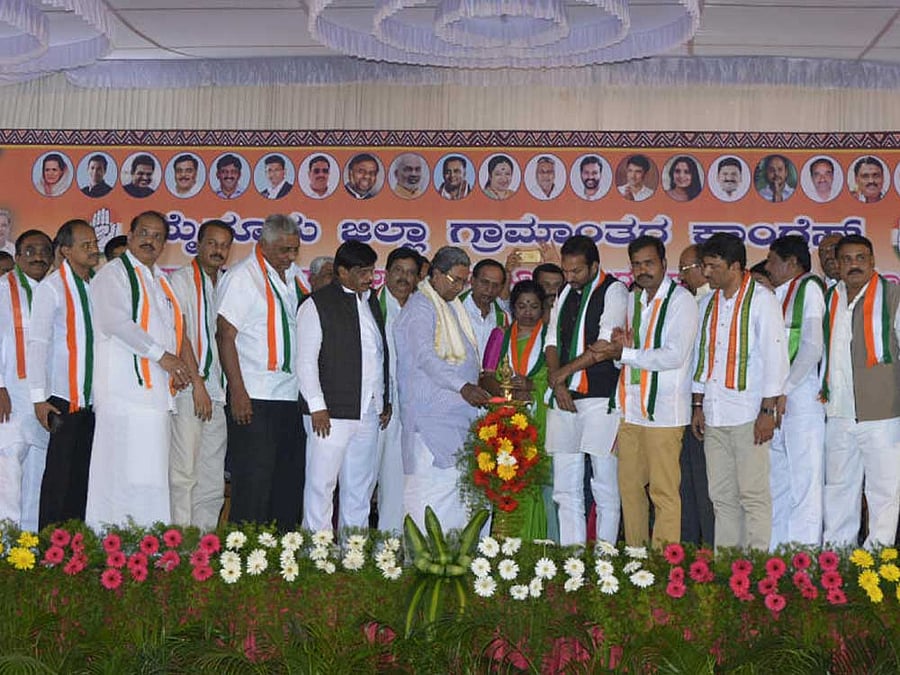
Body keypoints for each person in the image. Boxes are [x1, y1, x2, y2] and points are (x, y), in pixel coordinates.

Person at [86, 211, 202, 529]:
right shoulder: (114, 274)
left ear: (164, 244)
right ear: (131, 234)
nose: (150, 240)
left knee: (150, 477)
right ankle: (110, 547)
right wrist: (162, 356)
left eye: (157, 236)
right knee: (118, 476)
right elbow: (115, 322)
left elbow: (173, 330)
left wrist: (176, 364)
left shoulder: (158, 279)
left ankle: (146, 547)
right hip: (125, 396)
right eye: (144, 233)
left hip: (154, 397)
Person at [591, 236, 698, 548]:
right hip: (632, 409)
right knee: (629, 490)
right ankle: (637, 558)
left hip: (665, 414)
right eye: (636, 264)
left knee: (663, 492)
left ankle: (664, 564)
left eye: (649, 263)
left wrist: (623, 354)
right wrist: (622, 350)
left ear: (664, 264)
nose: (642, 270)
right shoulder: (633, 300)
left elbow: (674, 356)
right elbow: (628, 359)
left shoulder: (681, 301)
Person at [690, 233, 788, 551]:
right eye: (704, 266)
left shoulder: (762, 300)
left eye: (712, 266)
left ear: (734, 266)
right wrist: (698, 405)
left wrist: (767, 412)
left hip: (749, 414)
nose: (706, 273)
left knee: (753, 495)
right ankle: (728, 571)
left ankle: (757, 570)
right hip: (715, 413)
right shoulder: (707, 303)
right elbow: (702, 357)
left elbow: (776, 359)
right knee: (721, 497)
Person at [393, 246, 490, 531]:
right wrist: (463, 386)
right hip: (429, 421)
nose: (460, 288)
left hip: (456, 420)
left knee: (456, 494)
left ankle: (455, 559)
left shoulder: (450, 307)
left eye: (463, 281)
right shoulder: (421, 307)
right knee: (430, 493)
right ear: (435, 274)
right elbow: (425, 357)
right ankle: (425, 562)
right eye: (455, 280)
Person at [217, 214, 304, 528]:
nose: (291, 257)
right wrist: (237, 393)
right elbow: (225, 336)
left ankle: (281, 554)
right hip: (254, 395)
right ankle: (243, 559)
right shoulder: (243, 277)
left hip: (290, 395)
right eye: (284, 250)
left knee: (287, 481)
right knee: (254, 482)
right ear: (262, 245)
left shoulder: (293, 276)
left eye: (295, 250)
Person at [299, 241, 390, 532]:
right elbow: (305, 362)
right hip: (329, 413)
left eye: (372, 270)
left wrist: (382, 400)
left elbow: (377, 353)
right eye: (362, 271)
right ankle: (317, 554)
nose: (369, 277)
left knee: (360, 488)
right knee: (321, 485)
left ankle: (354, 554)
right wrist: (317, 407)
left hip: (367, 411)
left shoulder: (371, 301)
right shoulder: (317, 304)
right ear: (342, 271)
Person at [545, 235, 627, 545]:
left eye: (577, 271)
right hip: (564, 398)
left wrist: (561, 375)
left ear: (594, 265)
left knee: (604, 483)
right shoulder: (565, 292)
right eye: (566, 271)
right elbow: (551, 341)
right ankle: (572, 558)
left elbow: (603, 347)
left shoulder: (615, 291)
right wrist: (559, 381)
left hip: (599, 399)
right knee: (565, 487)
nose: (569, 277)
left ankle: (604, 560)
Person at [821, 234, 900, 548]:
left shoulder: (893, 296)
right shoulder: (829, 299)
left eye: (861, 258)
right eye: (847, 259)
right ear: (837, 265)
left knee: (884, 492)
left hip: (883, 414)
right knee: (838, 489)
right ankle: (836, 563)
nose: (854, 265)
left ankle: (877, 563)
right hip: (838, 411)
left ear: (872, 262)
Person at [27, 220, 100, 529]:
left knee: (83, 478)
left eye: (94, 242)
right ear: (66, 251)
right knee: (59, 477)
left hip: (94, 402)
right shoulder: (52, 288)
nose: (94, 248)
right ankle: (49, 548)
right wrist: (38, 399)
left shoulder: (98, 285)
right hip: (62, 399)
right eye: (85, 245)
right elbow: (37, 344)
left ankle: (75, 550)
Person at [167, 219, 233, 530]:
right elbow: (181, 336)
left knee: (211, 476)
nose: (218, 250)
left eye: (224, 245)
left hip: (217, 393)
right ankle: (178, 544)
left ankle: (203, 544)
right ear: (198, 244)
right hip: (188, 391)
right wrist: (197, 385)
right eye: (212, 243)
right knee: (184, 472)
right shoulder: (180, 281)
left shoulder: (225, 283)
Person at [482, 280, 557, 540]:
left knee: (538, 481)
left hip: (542, 418)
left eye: (534, 306)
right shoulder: (499, 335)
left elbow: (557, 376)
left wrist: (531, 386)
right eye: (522, 306)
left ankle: (538, 544)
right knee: (508, 478)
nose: (527, 312)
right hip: (506, 420)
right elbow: (486, 376)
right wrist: (507, 392)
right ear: (512, 308)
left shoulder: (551, 336)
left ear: (543, 308)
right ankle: (507, 542)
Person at [764, 235, 826, 547]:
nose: (768, 267)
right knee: (778, 482)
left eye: (772, 260)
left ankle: (805, 564)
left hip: (800, 396)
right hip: (776, 399)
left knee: (805, 482)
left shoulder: (809, 288)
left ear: (792, 263)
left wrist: (783, 389)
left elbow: (812, 347)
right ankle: (776, 559)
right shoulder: (774, 294)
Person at [0, 230, 53, 531]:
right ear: (18, 257)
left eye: (45, 250)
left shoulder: (54, 290)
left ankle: (28, 548)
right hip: (10, 395)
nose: (38, 256)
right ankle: (4, 550)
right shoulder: (3, 289)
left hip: (42, 398)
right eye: (30, 250)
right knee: (7, 475)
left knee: (37, 476)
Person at [374, 247, 420, 532]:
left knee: (397, 480)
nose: (404, 278)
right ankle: (349, 551)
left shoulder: (422, 308)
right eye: (399, 271)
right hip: (374, 406)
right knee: (361, 481)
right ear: (387, 273)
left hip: (409, 409)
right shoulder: (368, 304)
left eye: (411, 273)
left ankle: (388, 547)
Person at [677, 244, 714, 546]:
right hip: (683, 405)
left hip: (708, 407)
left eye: (685, 269)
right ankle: (687, 551)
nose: (681, 275)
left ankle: (712, 551)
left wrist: (698, 403)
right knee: (685, 485)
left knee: (707, 486)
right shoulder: (687, 302)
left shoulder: (714, 302)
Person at [459, 259, 509, 359]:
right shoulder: (454, 309)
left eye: (495, 285)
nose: (489, 290)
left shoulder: (504, 317)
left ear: (501, 288)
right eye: (485, 282)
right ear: (472, 281)